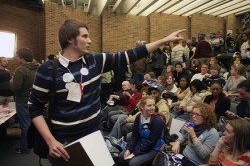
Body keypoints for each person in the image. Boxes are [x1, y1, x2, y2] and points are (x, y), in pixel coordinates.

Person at [28, 19, 185, 161]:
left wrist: (164, 40)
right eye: (84, 36)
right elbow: (34, 108)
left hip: (94, 136)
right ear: (70, 39)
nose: (90, 41)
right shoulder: (48, 70)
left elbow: (131, 54)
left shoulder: (95, 61)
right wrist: (51, 141)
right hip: (64, 142)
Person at [118, 96, 165, 166]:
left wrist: (134, 153)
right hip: (142, 143)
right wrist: (129, 149)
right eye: (149, 105)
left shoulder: (158, 121)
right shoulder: (139, 117)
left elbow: (151, 142)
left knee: (132, 163)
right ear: (142, 107)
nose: (152, 108)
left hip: (154, 148)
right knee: (122, 156)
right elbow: (135, 136)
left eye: (154, 105)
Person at [10, 48, 39, 154]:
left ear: (22, 58)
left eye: (17, 56)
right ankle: (33, 145)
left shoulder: (20, 69)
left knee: (25, 125)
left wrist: (11, 82)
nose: (16, 58)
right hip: (34, 100)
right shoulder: (37, 68)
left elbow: (15, 88)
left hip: (22, 101)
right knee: (33, 124)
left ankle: (25, 148)